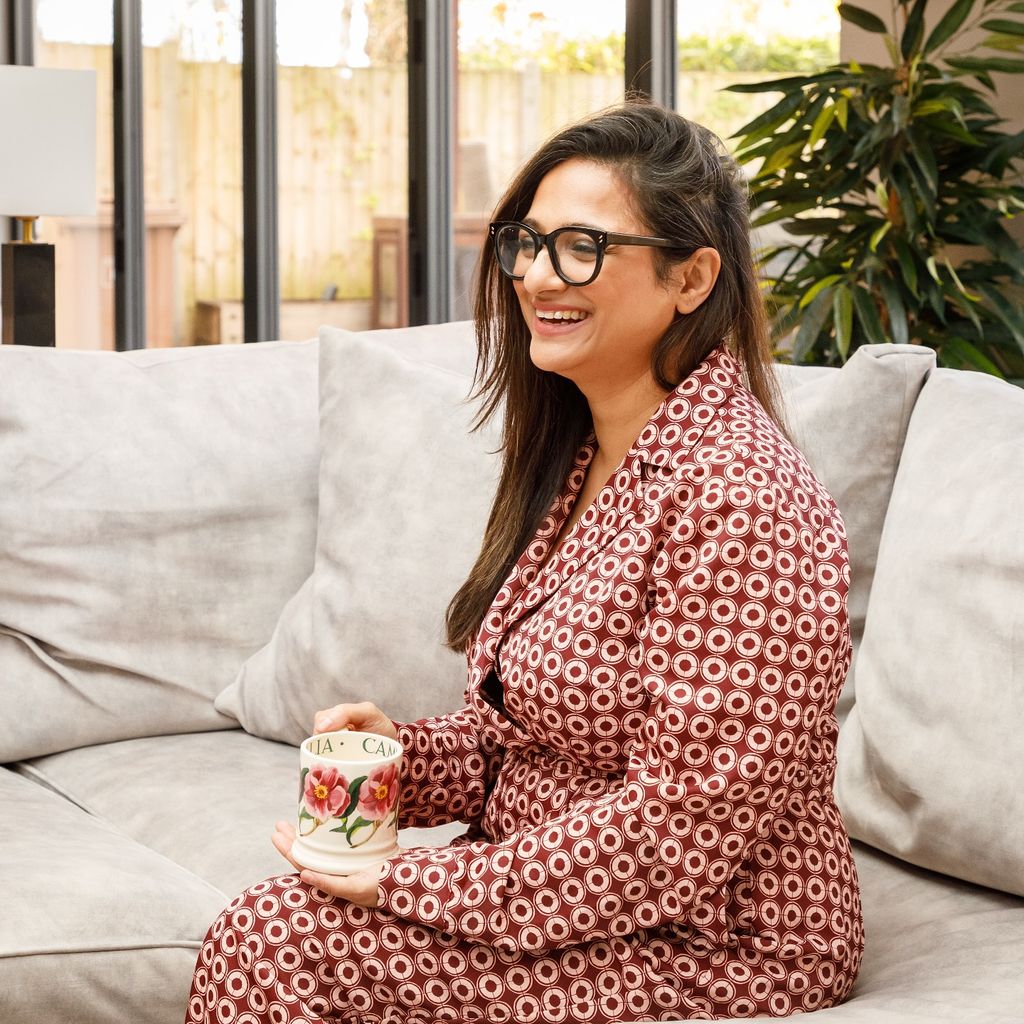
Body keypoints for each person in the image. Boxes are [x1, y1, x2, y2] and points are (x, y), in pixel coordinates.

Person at [187, 100, 863, 1024]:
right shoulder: (587, 458)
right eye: (529, 243)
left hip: (717, 938)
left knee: (279, 942)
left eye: (583, 247)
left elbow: (679, 831)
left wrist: (409, 885)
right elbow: (528, 744)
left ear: (692, 277)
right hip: (566, 901)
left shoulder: (742, 502)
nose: (538, 275)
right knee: (276, 927)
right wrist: (404, 760)